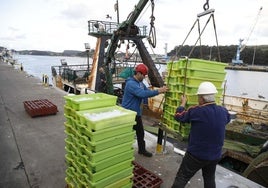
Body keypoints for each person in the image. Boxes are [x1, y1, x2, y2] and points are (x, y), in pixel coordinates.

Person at [172, 81, 230, 188]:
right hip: (215, 155)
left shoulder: (196, 111)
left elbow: (178, 116)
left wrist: (182, 104)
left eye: (198, 97)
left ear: (202, 98)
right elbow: (226, 120)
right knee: (209, 178)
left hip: (196, 155)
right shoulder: (223, 111)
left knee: (182, 177)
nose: (198, 99)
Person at [122, 64, 168, 157]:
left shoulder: (140, 83)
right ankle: (123, 151)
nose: (144, 77)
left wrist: (146, 103)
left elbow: (146, 90)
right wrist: (159, 91)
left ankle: (141, 150)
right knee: (127, 134)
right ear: (138, 73)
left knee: (140, 132)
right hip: (128, 113)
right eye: (143, 75)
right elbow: (142, 93)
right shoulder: (131, 84)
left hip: (136, 113)